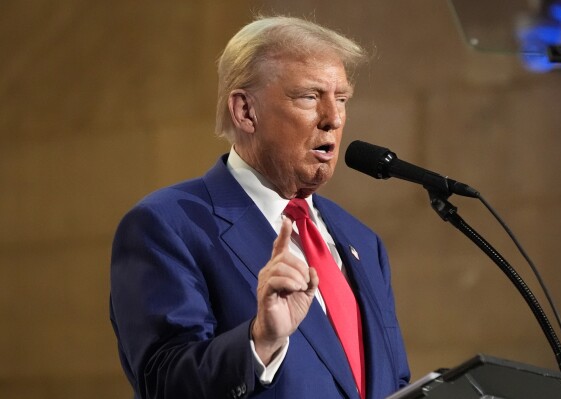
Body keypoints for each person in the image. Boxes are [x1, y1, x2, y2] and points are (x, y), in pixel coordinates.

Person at [110, 15, 410, 399]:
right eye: (309, 96)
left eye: (341, 99)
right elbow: (164, 383)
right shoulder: (168, 225)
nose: (333, 118)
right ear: (245, 111)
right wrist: (260, 340)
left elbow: (395, 381)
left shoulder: (362, 242)